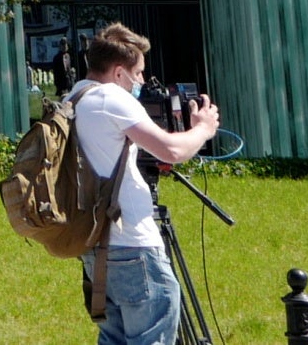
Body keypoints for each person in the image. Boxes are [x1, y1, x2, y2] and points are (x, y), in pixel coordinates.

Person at [70, 21, 224, 345]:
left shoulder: (74, 97)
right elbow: (171, 149)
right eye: (138, 73)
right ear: (118, 72)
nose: (141, 81)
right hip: (133, 246)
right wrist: (204, 128)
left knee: (114, 337)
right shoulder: (111, 97)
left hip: (95, 243)